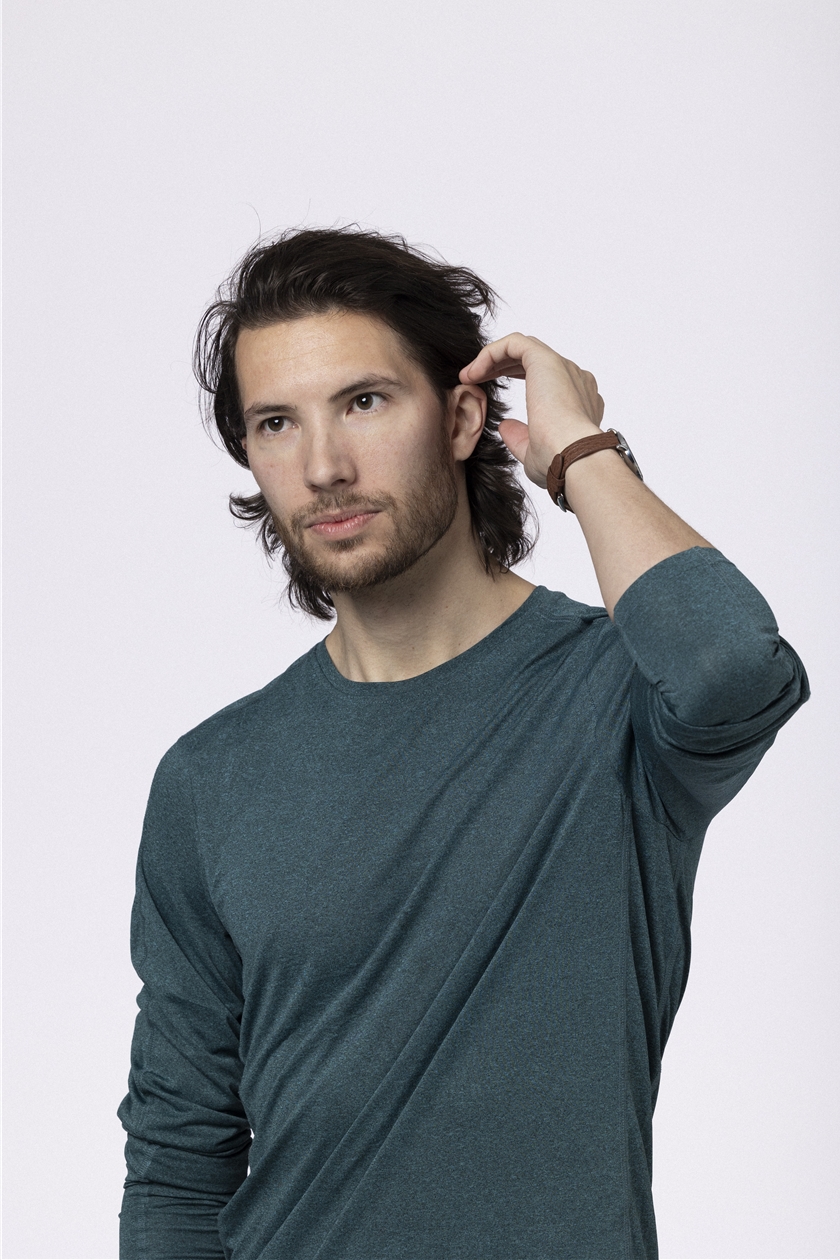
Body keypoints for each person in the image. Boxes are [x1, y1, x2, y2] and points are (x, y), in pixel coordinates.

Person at [117, 227, 808, 1260]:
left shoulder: (616, 696)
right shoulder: (210, 780)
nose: (323, 466)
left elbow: (736, 671)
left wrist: (581, 452)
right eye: (277, 422)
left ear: (461, 417)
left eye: (364, 401)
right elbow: (178, 1164)